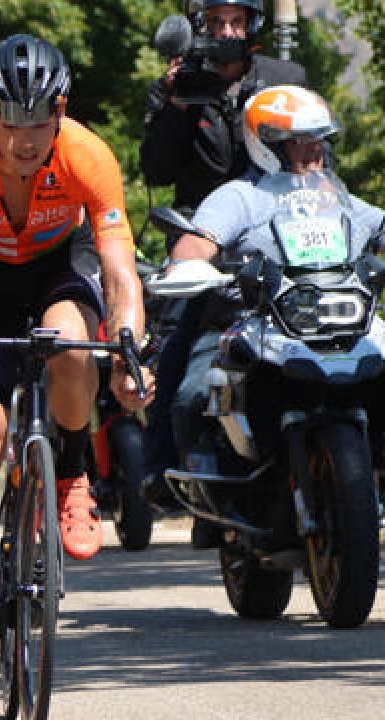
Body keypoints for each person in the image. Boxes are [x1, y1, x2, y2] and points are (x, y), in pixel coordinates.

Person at [0, 34, 153, 690]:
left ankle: (75, 474)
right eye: (10, 120)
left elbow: (119, 272)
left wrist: (130, 347)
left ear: (60, 111)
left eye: (38, 119)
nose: (25, 136)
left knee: (72, 344)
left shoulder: (87, 155)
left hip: (55, 269)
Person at [164, 85, 384, 547]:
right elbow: (197, 241)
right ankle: (215, 503)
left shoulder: (341, 201)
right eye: (301, 140)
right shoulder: (241, 197)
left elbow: (380, 226)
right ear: (266, 145)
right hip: (258, 318)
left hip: (343, 318)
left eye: (318, 139)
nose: (315, 149)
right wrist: (190, 264)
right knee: (191, 394)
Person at [139, 0, 308, 509]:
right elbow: (156, 171)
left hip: (282, 233)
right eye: (215, 22)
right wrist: (175, 104)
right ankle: (159, 466)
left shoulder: (285, 78)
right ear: (199, 28)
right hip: (203, 240)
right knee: (176, 340)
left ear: (253, 25)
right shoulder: (178, 86)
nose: (226, 30)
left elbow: (319, 159)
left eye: (236, 20)